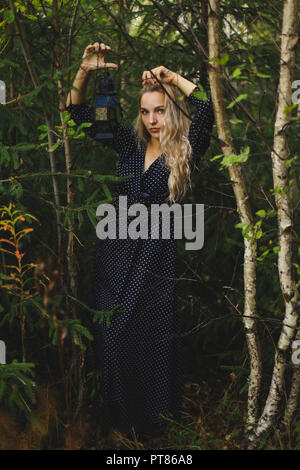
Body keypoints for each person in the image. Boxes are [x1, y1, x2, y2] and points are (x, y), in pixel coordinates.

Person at [66, 42, 214, 447]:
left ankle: (154, 430)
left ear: (171, 111)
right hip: (115, 255)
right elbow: (79, 115)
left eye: (160, 110)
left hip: (154, 260)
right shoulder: (127, 144)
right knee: (110, 339)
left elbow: (206, 108)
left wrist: (170, 79)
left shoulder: (184, 149)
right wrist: (84, 71)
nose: (152, 119)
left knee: (148, 340)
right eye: (146, 111)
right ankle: (119, 428)